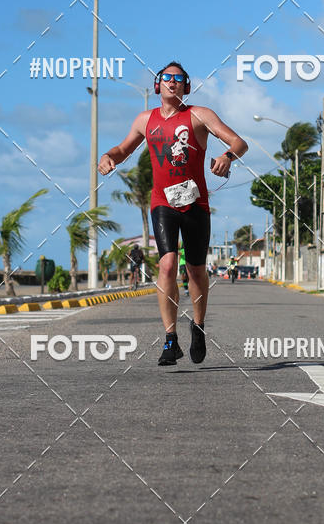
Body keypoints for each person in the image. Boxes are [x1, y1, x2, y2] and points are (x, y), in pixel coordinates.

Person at [99, 61, 248, 366]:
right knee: (167, 266)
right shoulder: (145, 120)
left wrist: (227, 156)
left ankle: (198, 325)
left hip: (196, 204)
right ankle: (170, 339)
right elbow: (123, 149)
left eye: (179, 79)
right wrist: (107, 156)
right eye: (167, 78)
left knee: (195, 270)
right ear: (158, 85)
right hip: (162, 203)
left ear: (186, 86)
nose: (172, 82)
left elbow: (238, 142)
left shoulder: (199, 115)